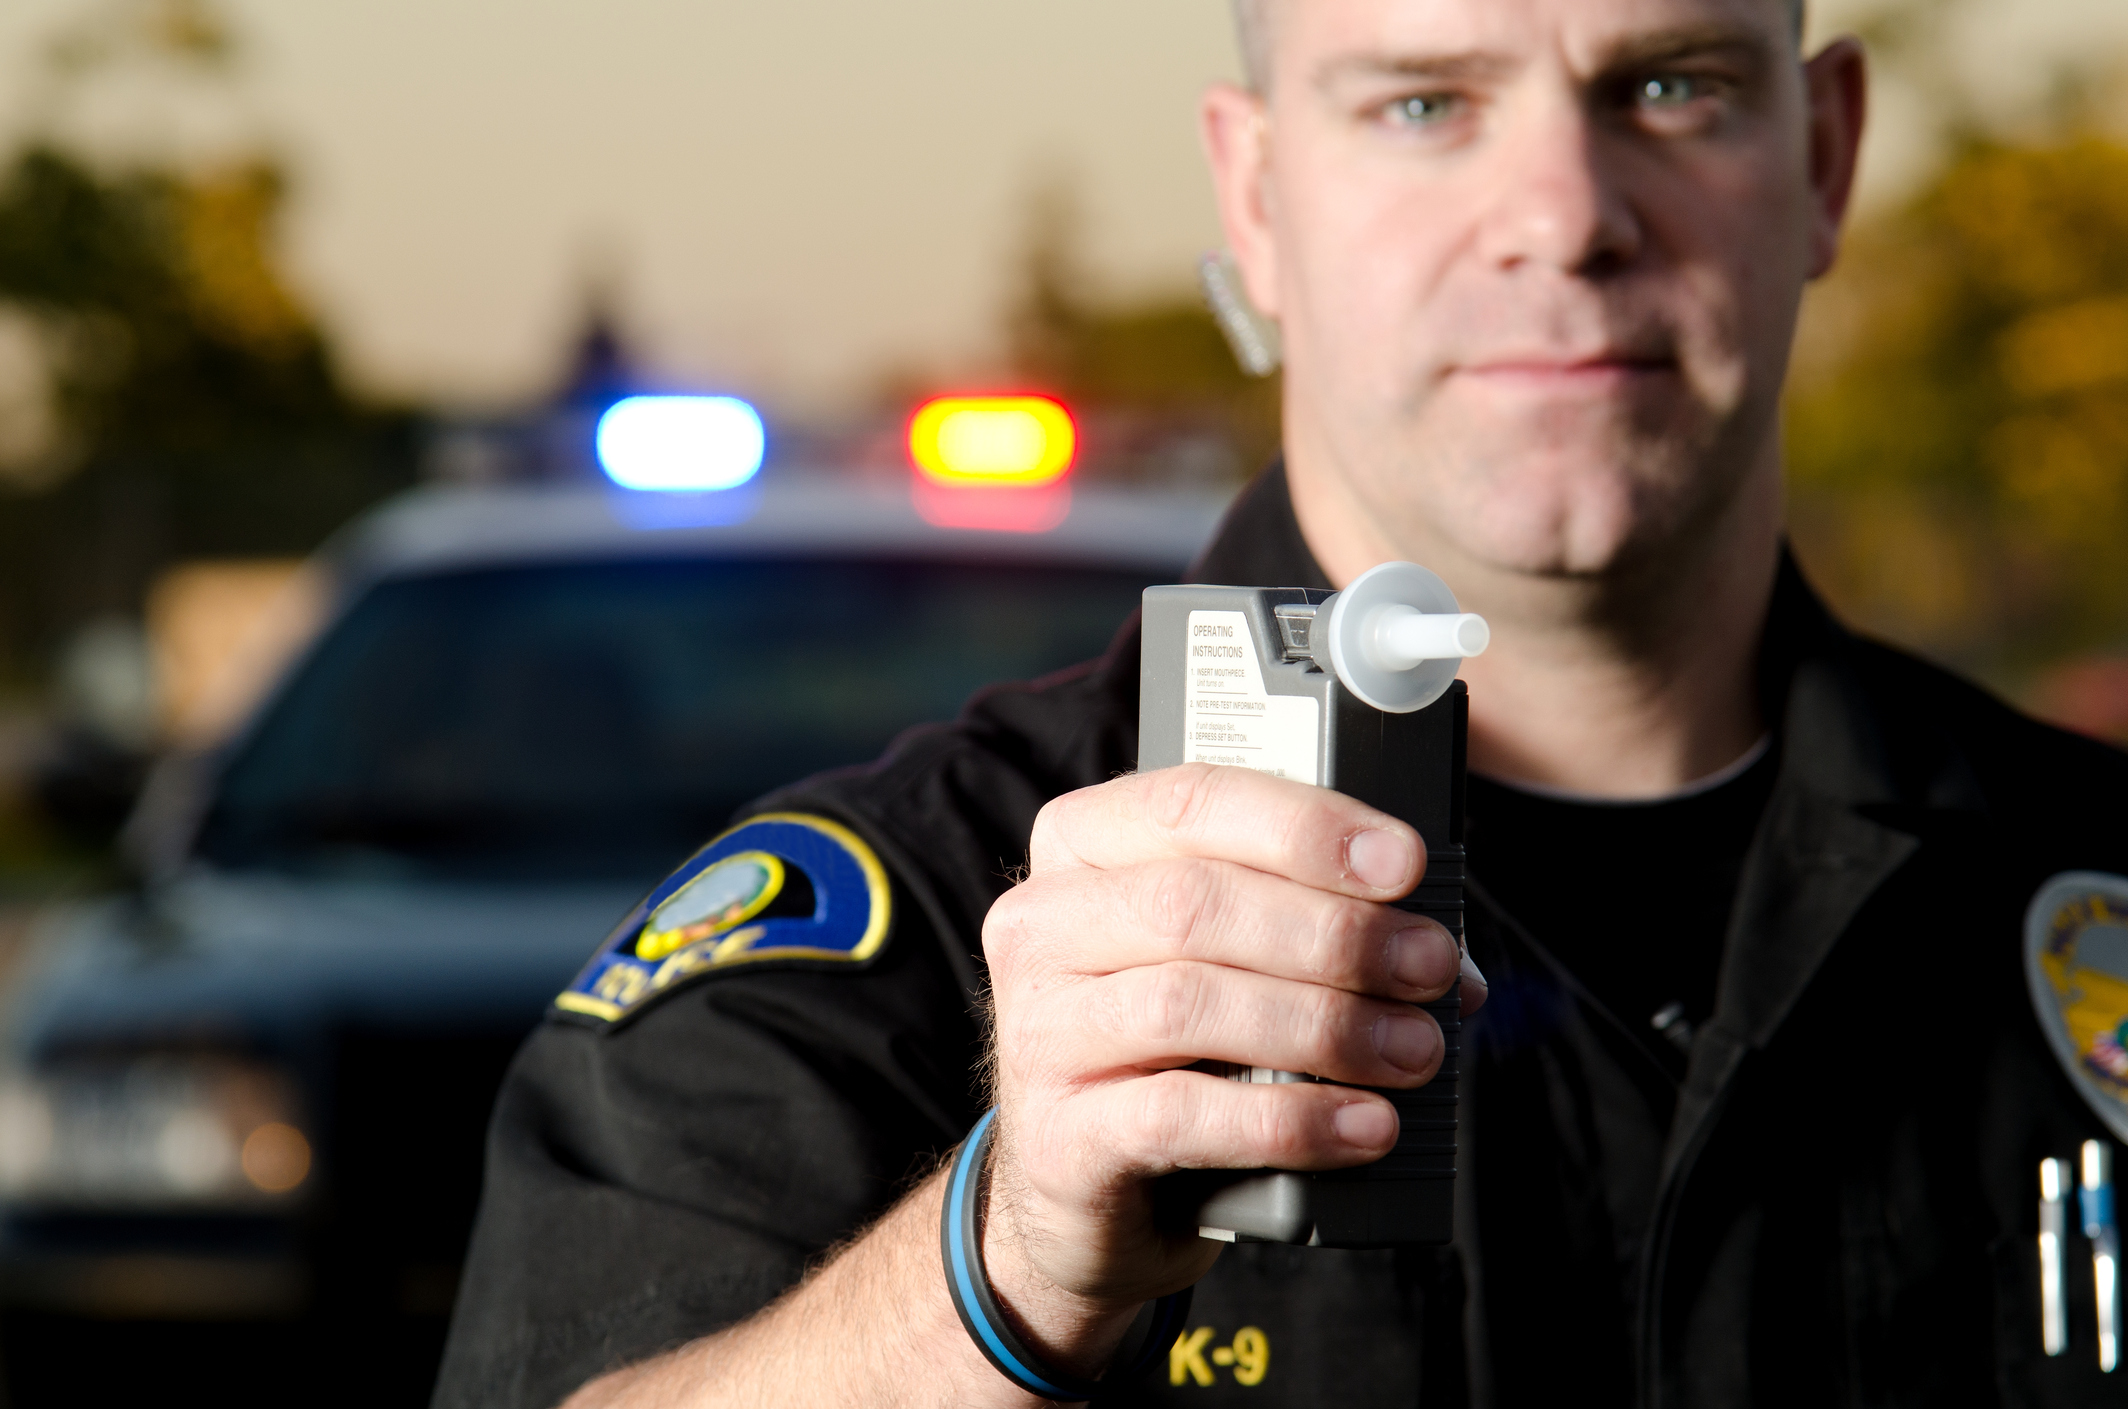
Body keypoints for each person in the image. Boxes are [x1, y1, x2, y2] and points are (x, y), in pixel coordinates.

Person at [435, 0, 2128, 1403]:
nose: (1565, 212)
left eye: (1670, 87)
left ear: (1822, 158)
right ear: (1253, 198)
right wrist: (1004, 1267)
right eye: (1422, 103)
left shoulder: (2087, 888)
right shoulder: (911, 925)